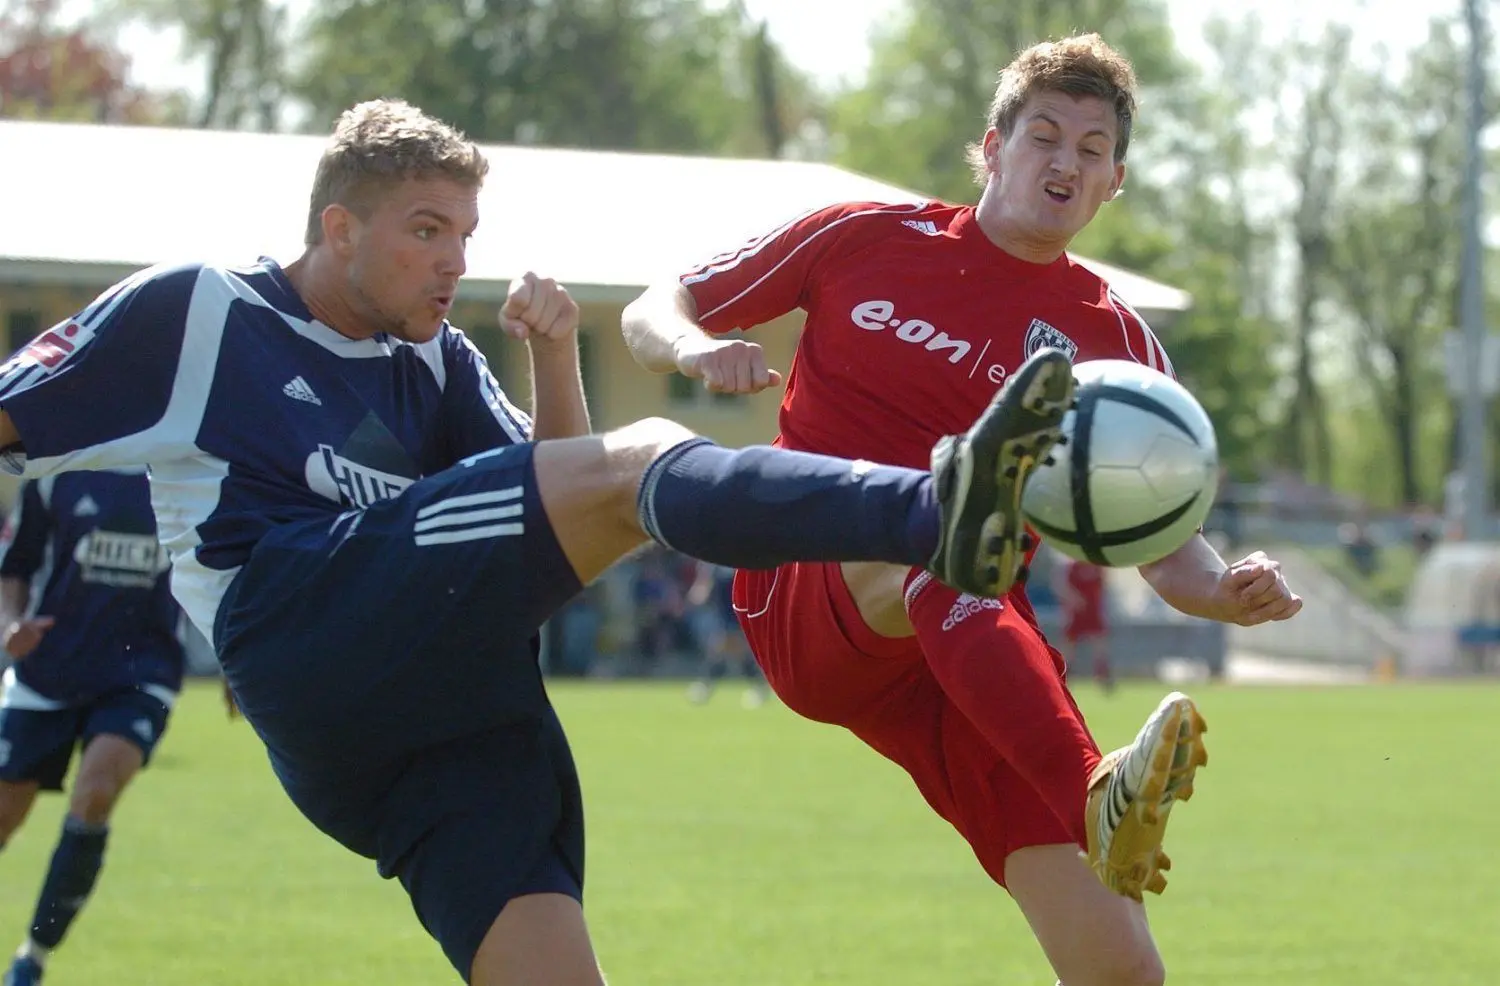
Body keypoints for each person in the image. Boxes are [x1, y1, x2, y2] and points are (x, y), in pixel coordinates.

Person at [0, 98, 1072, 986]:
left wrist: (558, 355)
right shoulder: (203, 308)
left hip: (443, 720)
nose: (454, 260)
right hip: (300, 624)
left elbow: (565, 518)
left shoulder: (435, 358)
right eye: (427, 229)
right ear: (339, 229)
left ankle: (941, 514)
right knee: (644, 450)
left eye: (465, 233)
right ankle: (935, 513)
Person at [622, 34, 1302, 986]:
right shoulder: (864, 236)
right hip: (814, 586)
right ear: (992, 147)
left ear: (1115, 183)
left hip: (982, 649)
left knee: (1121, 968)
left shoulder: (1116, 346)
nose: (1065, 161)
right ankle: (1094, 786)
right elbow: (658, 306)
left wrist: (1225, 588)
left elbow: (1160, 541)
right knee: (943, 543)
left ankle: (1094, 802)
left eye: (1093, 148)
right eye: (1044, 135)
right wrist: (694, 350)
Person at [0, 469, 185, 986]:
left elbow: (224, 559)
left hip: (141, 672)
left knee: (97, 790)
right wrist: (10, 625)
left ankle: (30, 960)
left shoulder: (181, 462)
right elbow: (14, 565)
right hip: (49, 667)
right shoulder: (55, 466)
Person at [685, 559, 769, 707]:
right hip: (723, 607)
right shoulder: (716, 554)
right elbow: (706, 576)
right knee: (729, 649)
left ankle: (706, 686)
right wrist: (701, 588)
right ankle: (758, 688)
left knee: (724, 647)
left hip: (737, 604)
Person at [1052, 554, 1114, 693]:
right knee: (1069, 645)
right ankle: (1065, 677)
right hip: (1076, 613)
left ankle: (1103, 677)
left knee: (1099, 643)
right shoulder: (1072, 567)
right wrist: (1073, 599)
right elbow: (1062, 586)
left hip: (1093, 611)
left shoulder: (1097, 566)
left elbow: (1104, 583)